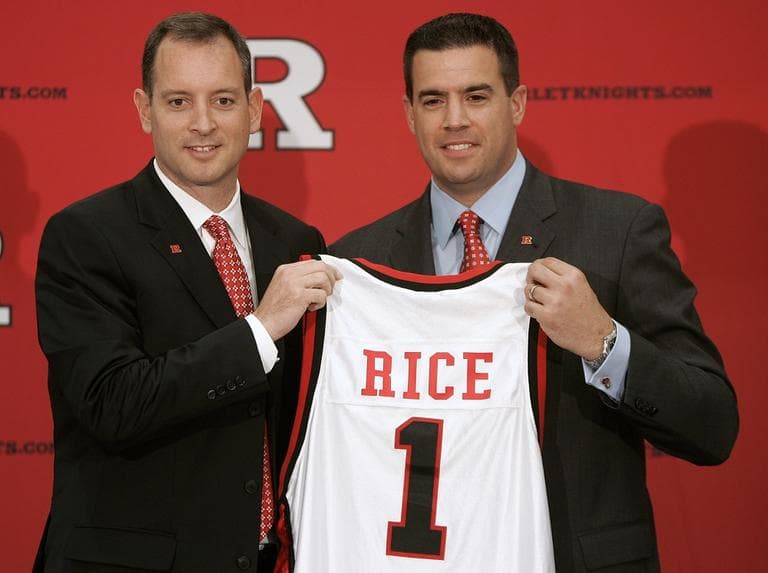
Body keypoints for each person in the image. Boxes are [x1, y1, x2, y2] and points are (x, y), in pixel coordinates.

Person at [331, 12, 738, 572]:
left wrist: (602, 341)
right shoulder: (357, 260)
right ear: (408, 113)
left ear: (516, 103)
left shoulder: (618, 231)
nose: (454, 120)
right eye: (432, 100)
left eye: (476, 96)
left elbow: (712, 426)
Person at [33, 12, 339, 573]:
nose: (203, 123)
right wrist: (260, 329)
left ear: (254, 109)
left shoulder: (296, 241)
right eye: (178, 102)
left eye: (223, 101)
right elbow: (113, 403)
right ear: (143, 109)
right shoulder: (85, 236)